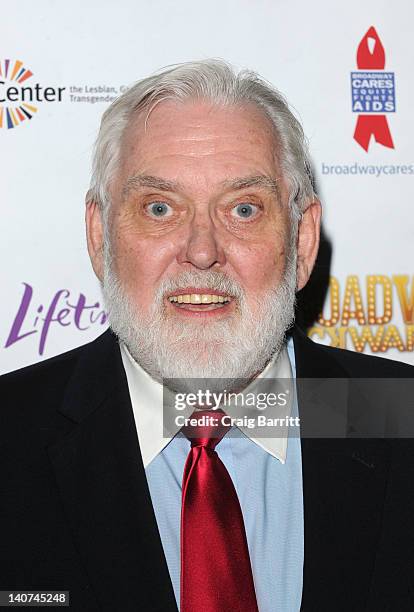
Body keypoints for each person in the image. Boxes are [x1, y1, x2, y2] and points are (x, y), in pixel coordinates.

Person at [1, 59, 413, 612]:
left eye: (244, 209)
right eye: (159, 208)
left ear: (303, 240)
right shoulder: (10, 434)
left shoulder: (397, 415)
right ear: (100, 236)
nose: (201, 250)